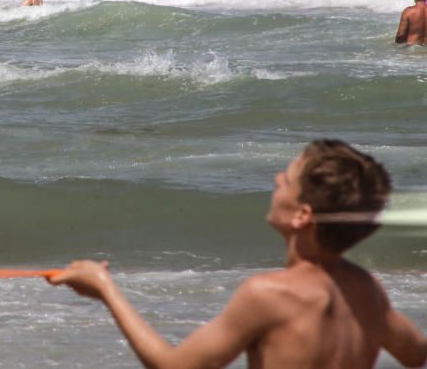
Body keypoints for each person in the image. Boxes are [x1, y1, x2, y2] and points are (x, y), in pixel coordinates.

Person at [48, 139, 427, 369]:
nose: (277, 179)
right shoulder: (368, 292)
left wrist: (105, 289)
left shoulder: (268, 296)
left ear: (303, 215)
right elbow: (414, 354)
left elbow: (174, 366)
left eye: (287, 180)